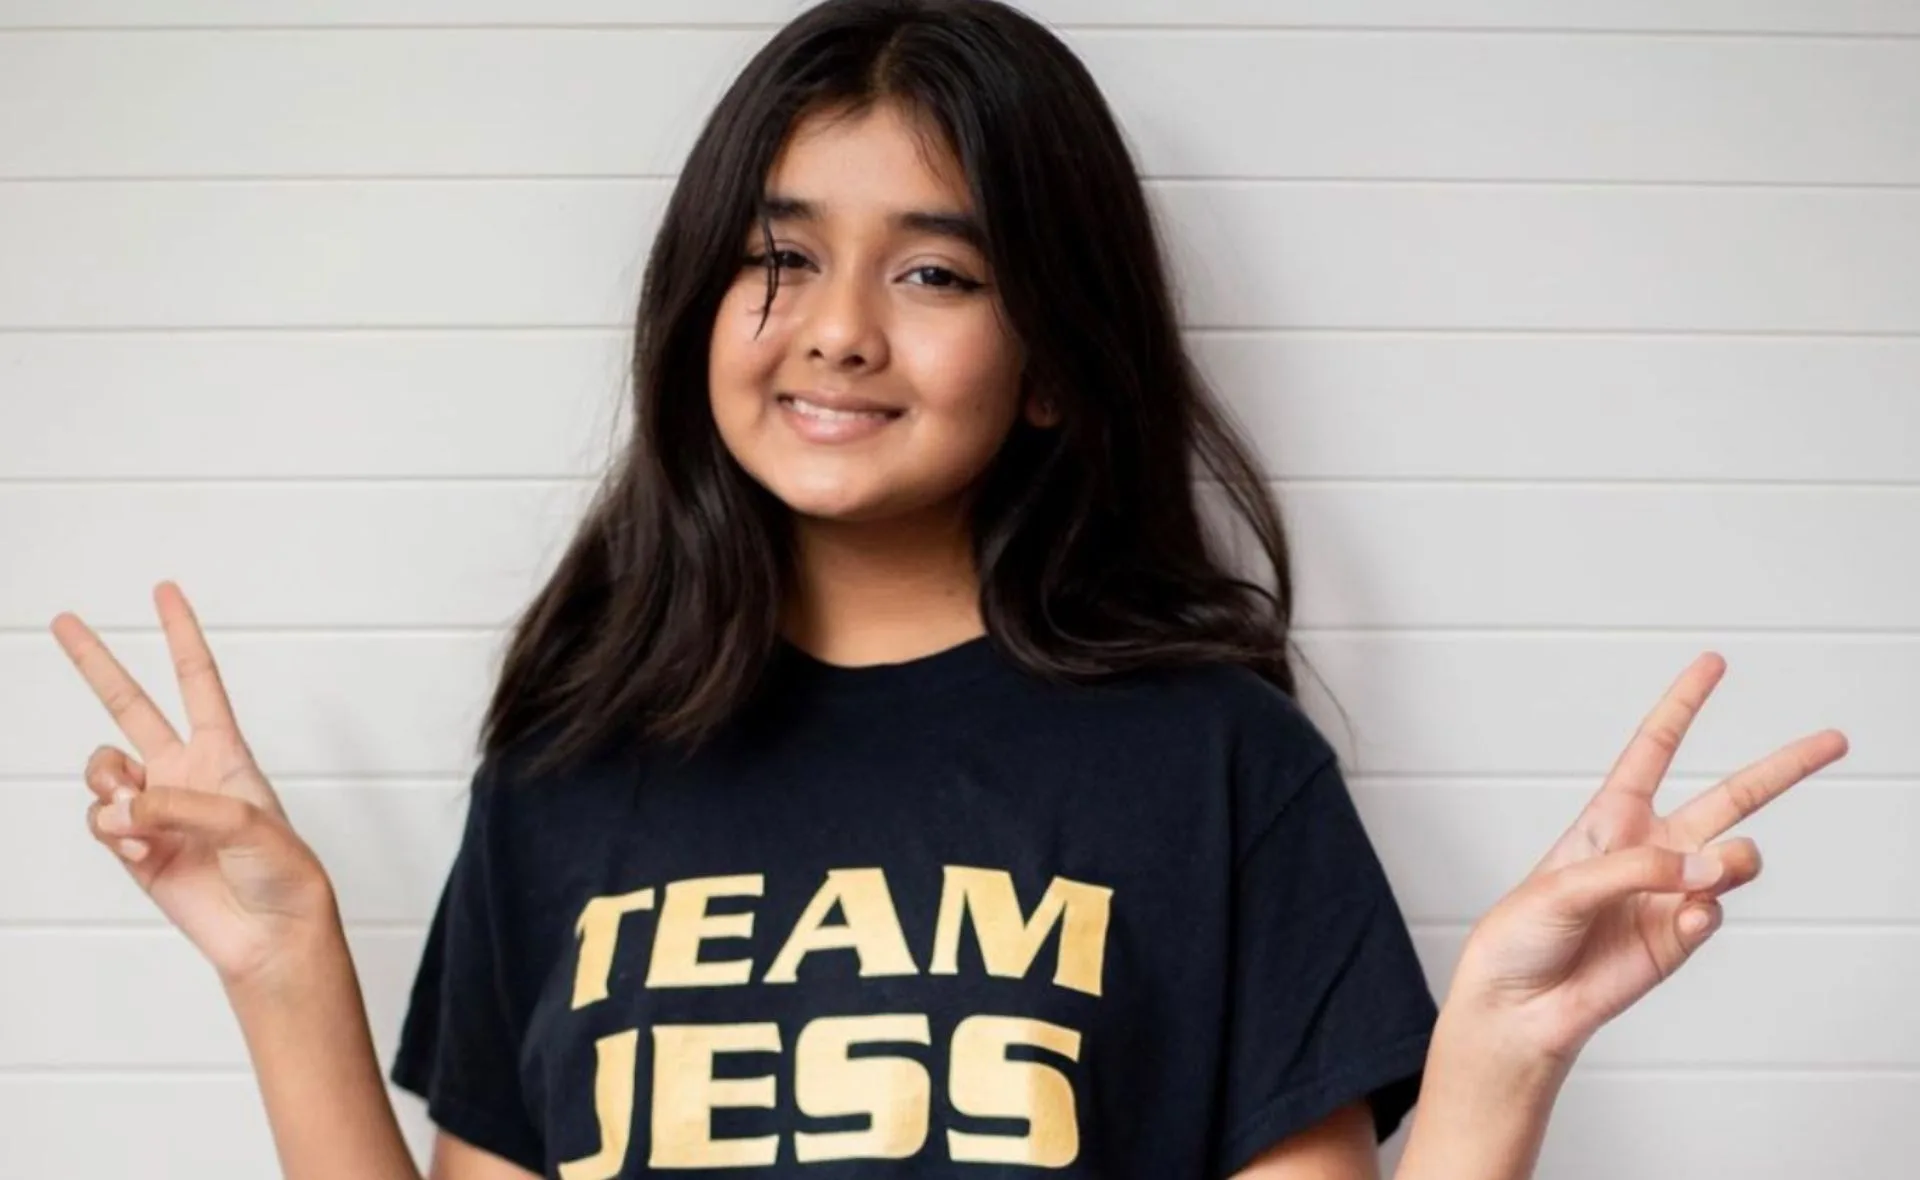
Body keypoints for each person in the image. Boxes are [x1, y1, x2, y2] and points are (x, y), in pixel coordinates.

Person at [49, 1, 1849, 1177]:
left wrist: (1501, 1062)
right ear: (699, 309)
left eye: (932, 271)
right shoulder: (568, 769)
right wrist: (286, 969)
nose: (836, 326)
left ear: (1055, 357)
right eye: (779, 255)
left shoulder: (1212, 767)